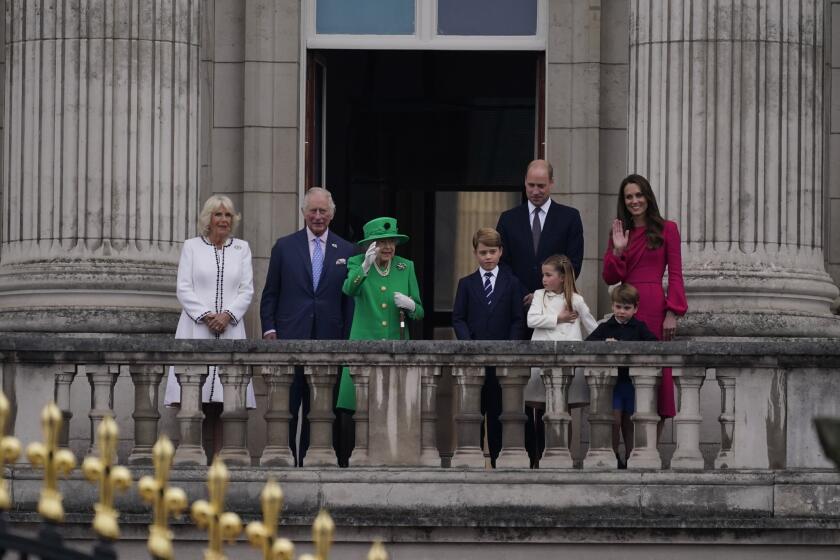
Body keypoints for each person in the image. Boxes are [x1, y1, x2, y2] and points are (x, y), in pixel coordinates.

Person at [260, 187, 355, 467]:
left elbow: (349, 301)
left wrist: (347, 339)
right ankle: (288, 464)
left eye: (322, 211)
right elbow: (270, 294)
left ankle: (314, 463)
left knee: (321, 411)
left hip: (329, 342)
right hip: (290, 340)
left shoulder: (347, 251)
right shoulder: (284, 247)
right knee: (287, 409)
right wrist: (269, 329)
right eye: (312, 210)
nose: (317, 216)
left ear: (331, 214)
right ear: (303, 213)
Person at [164, 194, 256, 460]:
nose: (224, 220)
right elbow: (183, 287)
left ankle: (220, 458)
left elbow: (246, 290)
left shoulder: (242, 248)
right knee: (195, 394)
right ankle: (192, 455)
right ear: (208, 218)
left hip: (230, 329)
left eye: (228, 215)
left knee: (225, 398)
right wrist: (206, 315)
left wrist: (227, 315)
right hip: (196, 329)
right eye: (218, 214)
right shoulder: (192, 247)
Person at [602, 174, 688, 435]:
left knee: (656, 379)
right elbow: (610, 277)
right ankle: (627, 455)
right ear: (623, 201)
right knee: (627, 379)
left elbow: (675, 273)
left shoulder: (667, 228)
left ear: (648, 197)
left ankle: (649, 451)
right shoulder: (618, 232)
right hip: (625, 306)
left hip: (653, 306)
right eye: (629, 196)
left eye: (639, 195)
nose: (634, 201)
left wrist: (673, 311)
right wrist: (618, 250)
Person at [340, 217, 424, 463]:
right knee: (359, 409)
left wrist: (410, 306)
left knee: (393, 409)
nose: (388, 247)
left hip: (396, 349)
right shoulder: (358, 263)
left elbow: (419, 312)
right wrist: (364, 268)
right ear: (370, 245)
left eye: (391, 242)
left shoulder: (405, 267)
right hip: (363, 348)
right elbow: (349, 290)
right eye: (381, 243)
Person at [452, 228, 526, 467]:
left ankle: (496, 461)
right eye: (483, 252)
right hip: (474, 361)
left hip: (501, 360)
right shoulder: (466, 284)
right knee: (473, 414)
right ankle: (472, 461)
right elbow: (458, 318)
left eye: (492, 252)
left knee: (498, 414)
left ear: (501, 252)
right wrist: (469, 345)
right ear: (475, 253)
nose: (488, 257)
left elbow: (517, 318)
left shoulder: (512, 283)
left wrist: (510, 348)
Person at [526, 254, 598, 467]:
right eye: (543, 275)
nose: (544, 280)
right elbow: (532, 320)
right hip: (541, 359)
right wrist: (558, 318)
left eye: (548, 275)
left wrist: (608, 337)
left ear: (562, 277)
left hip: (568, 362)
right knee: (540, 410)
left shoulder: (576, 300)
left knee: (564, 410)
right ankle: (540, 458)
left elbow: (591, 326)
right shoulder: (539, 295)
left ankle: (564, 456)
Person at [586, 283, 658, 469]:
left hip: (632, 383)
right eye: (618, 307)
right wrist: (604, 342)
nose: (621, 311)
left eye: (626, 308)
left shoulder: (639, 327)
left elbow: (654, 343)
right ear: (612, 306)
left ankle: (631, 456)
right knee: (614, 421)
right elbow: (588, 343)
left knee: (630, 422)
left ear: (635, 308)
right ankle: (614, 454)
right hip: (614, 383)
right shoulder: (606, 326)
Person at [496, 159, 585, 303]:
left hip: (555, 305)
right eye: (531, 185)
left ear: (551, 183)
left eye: (541, 186)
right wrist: (522, 293)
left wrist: (542, 295)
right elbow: (501, 263)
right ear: (525, 181)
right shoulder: (508, 219)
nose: (535, 191)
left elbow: (573, 264)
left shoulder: (570, 218)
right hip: (517, 304)